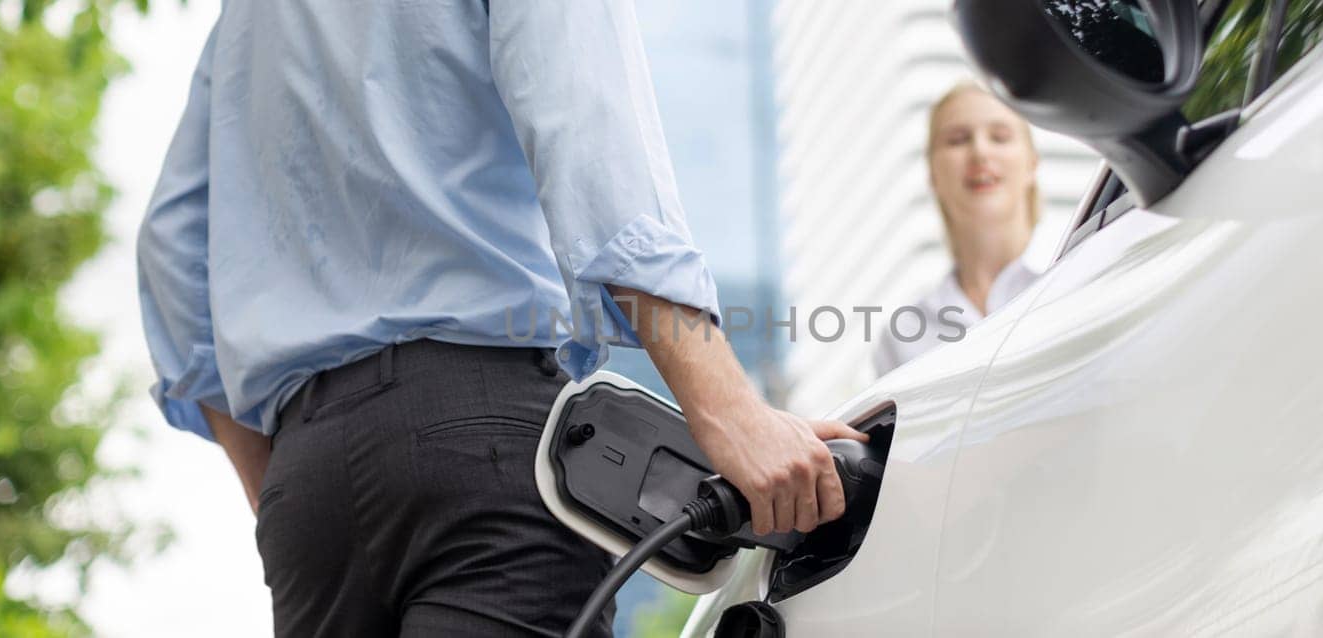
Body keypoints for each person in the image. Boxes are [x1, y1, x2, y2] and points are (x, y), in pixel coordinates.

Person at [135, 2, 864, 636]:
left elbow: (170, 249)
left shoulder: (247, 18)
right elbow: (587, 127)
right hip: (482, 449)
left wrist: (279, 483)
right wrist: (728, 409)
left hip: (308, 485)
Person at [873, 82, 1043, 377]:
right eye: (957, 140)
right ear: (932, 174)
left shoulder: (1078, 273)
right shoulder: (905, 335)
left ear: (1031, 163)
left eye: (1000, 137)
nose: (979, 152)